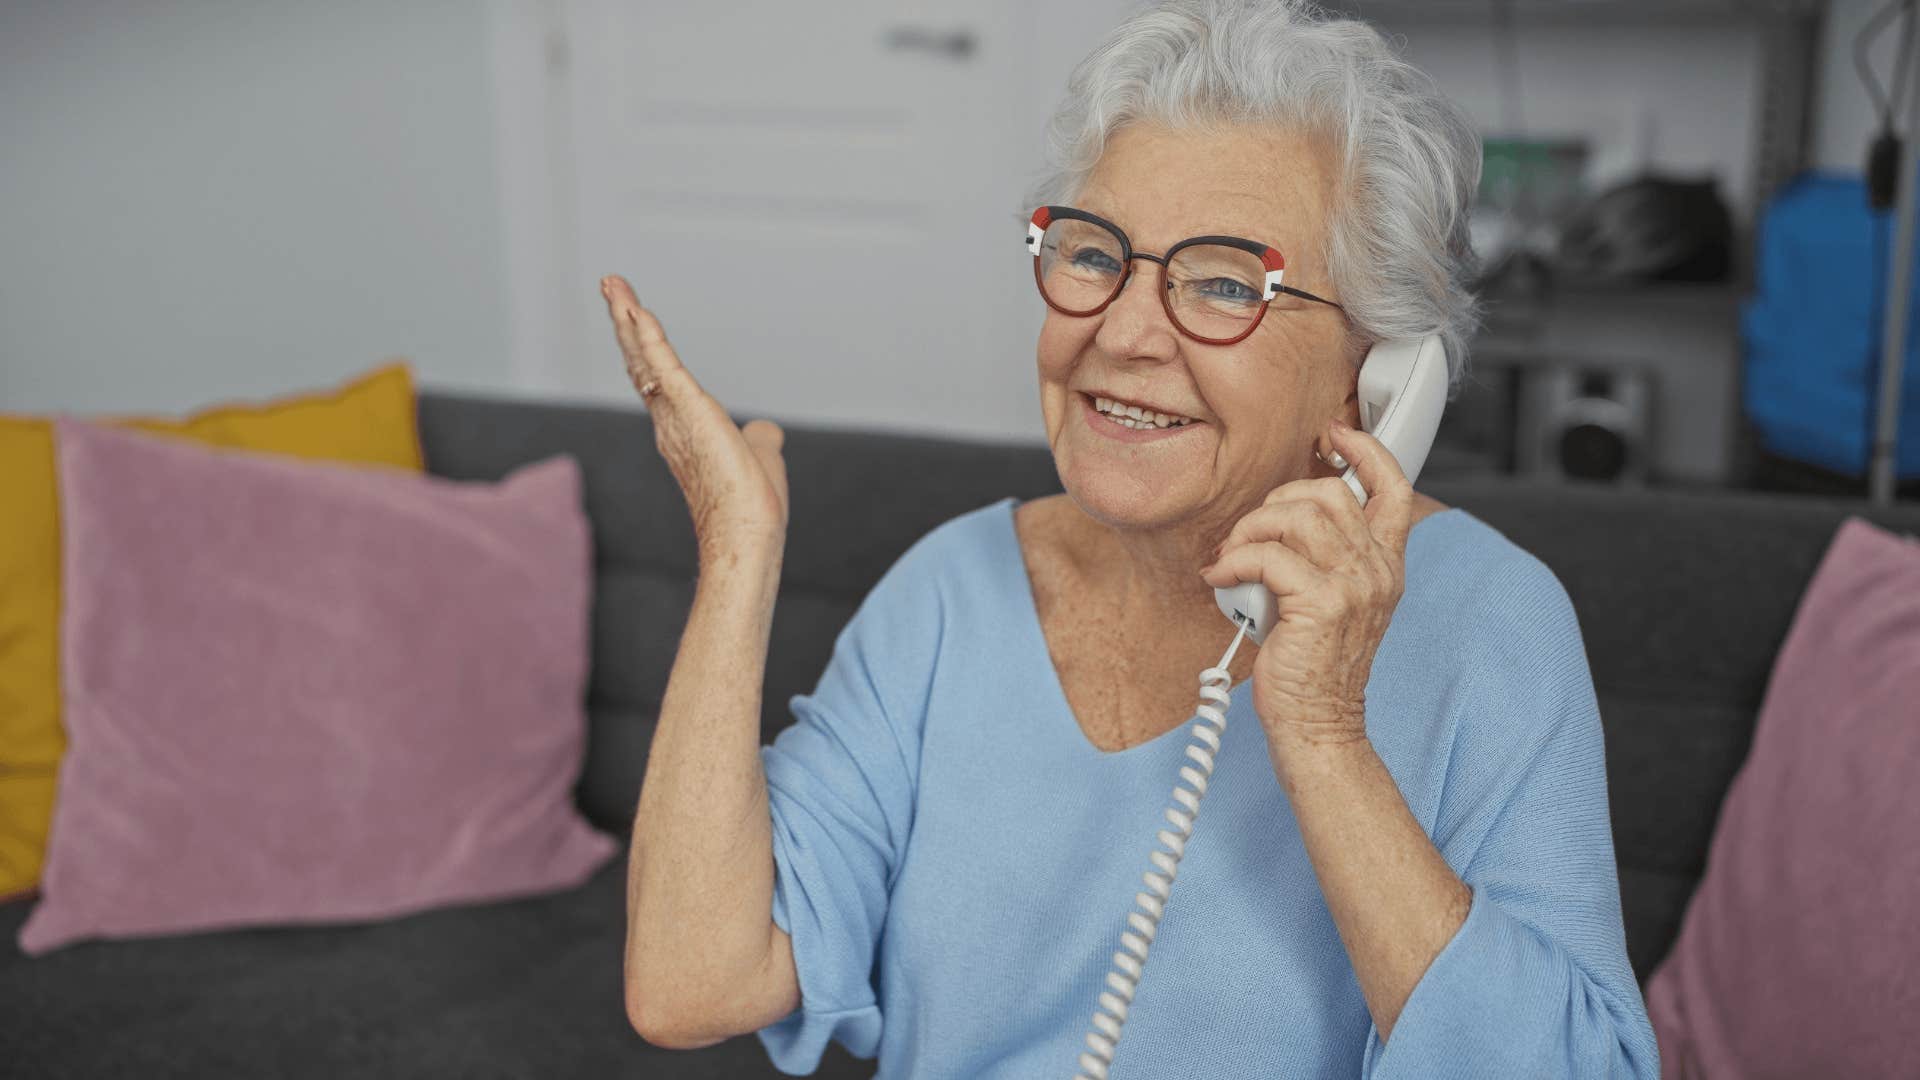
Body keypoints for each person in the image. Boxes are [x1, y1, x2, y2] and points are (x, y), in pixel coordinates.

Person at [614, 1, 1657, 1076]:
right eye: (1092, 253)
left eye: (1220, 283)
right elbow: (694, 983)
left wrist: (1325, 735)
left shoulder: (1490, 622)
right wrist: (737, 556)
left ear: (1379, 371)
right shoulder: (953, 592)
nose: (1120, 332)